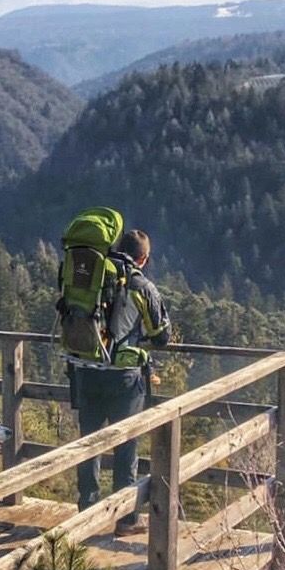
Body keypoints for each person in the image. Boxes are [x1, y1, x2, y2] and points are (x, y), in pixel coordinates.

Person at [72, 228, 171, 536]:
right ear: (144, 258)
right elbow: (162, 335)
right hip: (123, 379)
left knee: (88, 443)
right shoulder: (142, 286)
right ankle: (125, 519)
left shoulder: (91, 277)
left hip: (84, 371)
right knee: (126, 445)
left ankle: (85, 513)